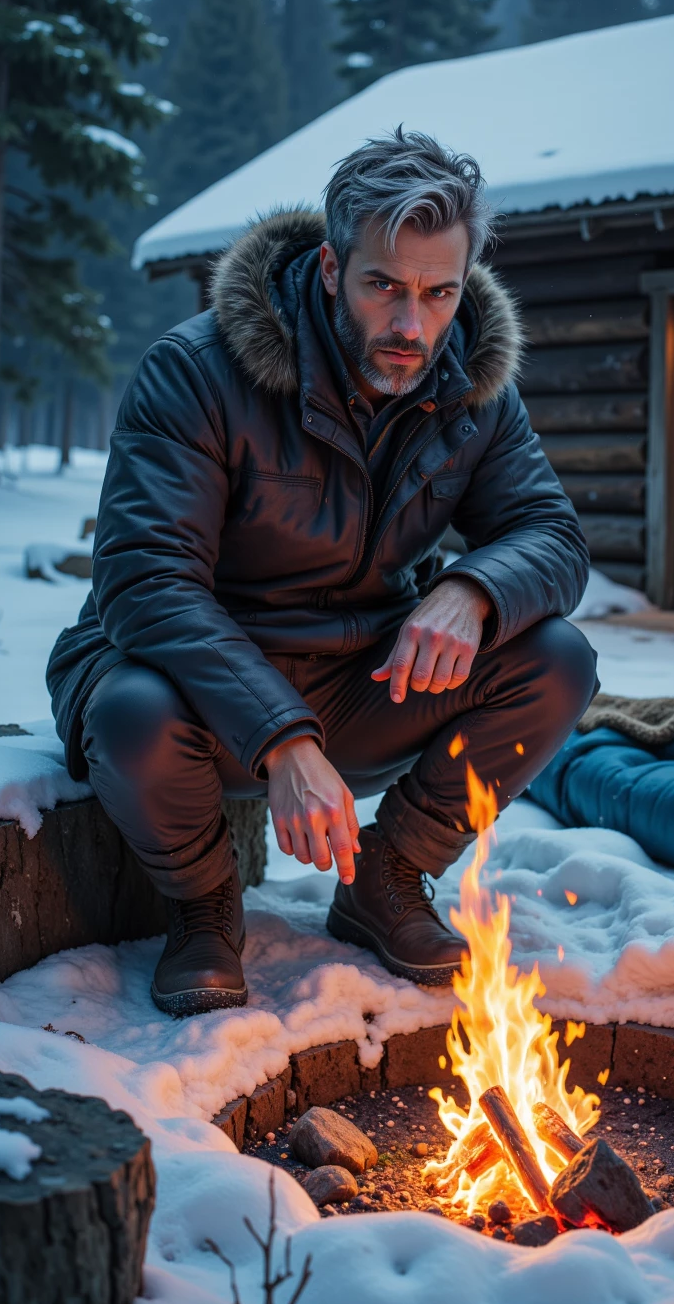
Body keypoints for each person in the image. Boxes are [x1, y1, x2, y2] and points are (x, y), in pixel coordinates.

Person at [47, 128, 596, 1017]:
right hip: (194, 687)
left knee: (556, 659)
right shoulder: (196, 371)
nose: (412, 326)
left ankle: (387, 876)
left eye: (438, 293)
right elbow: (145, 579)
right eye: (384, 286)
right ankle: (204, 907)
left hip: (361, 675)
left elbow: (553, 537)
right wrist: (282, 740)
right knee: (130, 718)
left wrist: (472, 589)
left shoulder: (473, 386)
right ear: (333, 268)